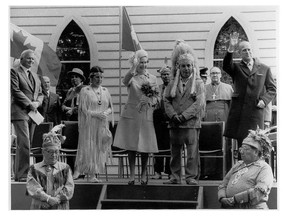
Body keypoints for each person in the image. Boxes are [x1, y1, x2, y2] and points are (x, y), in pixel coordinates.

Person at [113, 49, 159, 185]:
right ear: (136, 62)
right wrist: (133, 66)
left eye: (145, 62)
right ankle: (132, 175)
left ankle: (143, 174)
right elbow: (124, 81)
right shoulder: (131, 76)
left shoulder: (152, 78)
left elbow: (156, 97)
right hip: (131, 114)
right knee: (131, 145)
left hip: (145, 113)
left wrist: (150, 101)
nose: (143, 65)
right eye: (141, 62)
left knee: (144, 145)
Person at [163, 40, 205, 185]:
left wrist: (184, 116)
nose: (186, 68)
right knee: (175, 152)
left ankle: (190, 177)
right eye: (183, 66)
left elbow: (198, 104)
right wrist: (174, 115)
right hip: (175, 123)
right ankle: (175, 176)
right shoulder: (171, 83)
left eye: (189, 65)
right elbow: (166, 100)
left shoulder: (198, 84)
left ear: (193, 67)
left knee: (192, 153)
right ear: (178, 67)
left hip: (191, 123)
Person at [223, 32, 276, 146]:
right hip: (240, 113)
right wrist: (231, 47)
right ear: (239, 53)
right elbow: (226, 65)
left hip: (256, 111)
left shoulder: (264, 68)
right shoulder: (236, 68)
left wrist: (264, 101)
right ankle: (242, 164)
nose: (247, 52)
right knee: (243, 144)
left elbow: (272, 89)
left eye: (249, 49)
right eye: (244, 50)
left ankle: (256, 164)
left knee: (256, 143)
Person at [73, 66, 114, 182]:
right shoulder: (85, 91)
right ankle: (89, 173)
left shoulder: (105, 91)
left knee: (99, 148)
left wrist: (106, 112)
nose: (99, 79)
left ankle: (94, 174)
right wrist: (97, 114)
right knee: (89, 147)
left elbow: (110, 107)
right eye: (97, 77)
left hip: (101, 123)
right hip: (89, 124)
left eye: (101, 77)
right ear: (91, 78)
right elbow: (83, 109)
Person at [218, 127, 274, 209]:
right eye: (241, 149)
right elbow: (223, 184)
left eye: (246, 149)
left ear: (256, 152)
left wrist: (235, 199)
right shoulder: (238, 165)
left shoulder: (264, 168)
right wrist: (222, 198)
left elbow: (259, 192)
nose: (241, 152)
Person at [11, 49, 44, 182]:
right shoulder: (14, 71)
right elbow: (15, 90)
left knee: (27, 144)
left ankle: (20, 174)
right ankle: (23, 174)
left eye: (33, 59)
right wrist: (30, 104)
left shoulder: (35, 76)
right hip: (19, 111)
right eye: (29, 58)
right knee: (24, 143)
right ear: (22, 58)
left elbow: (41, 93)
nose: (31, 60)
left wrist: (37, 103)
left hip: (33, 113)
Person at [26, 124, 74, 209]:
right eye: (50, 152)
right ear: (43, 152)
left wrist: (57, 199)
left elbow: (69, 187)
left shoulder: (65, 168)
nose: (54, 155)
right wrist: (48, 199)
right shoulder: (34, 168)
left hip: (60, 208)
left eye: (56, 152)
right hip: (40, 208)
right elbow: (33, 188)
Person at [152, 61, 172, 180]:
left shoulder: (174, 87)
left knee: (170, 147)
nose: (165, 76)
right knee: (158, 146)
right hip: (158, 119)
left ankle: (170, 172)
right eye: (163, 74)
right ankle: (157, 171)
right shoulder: (158, 88)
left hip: (170, 118)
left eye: (167, 74)